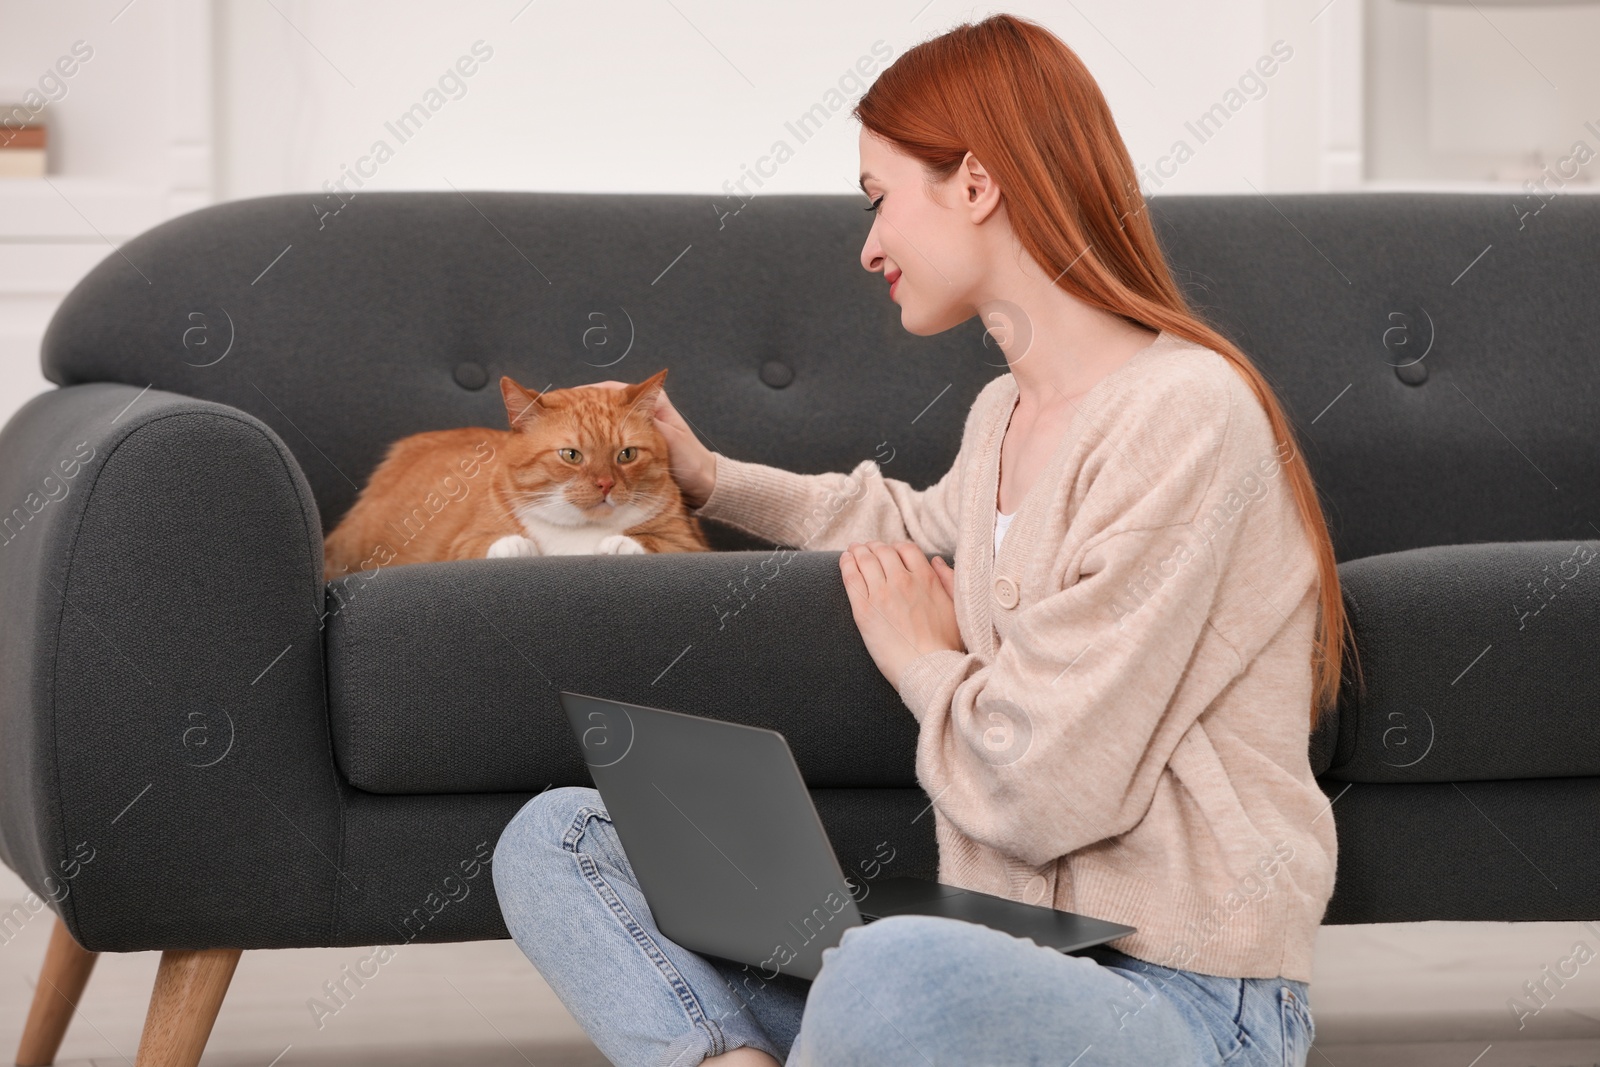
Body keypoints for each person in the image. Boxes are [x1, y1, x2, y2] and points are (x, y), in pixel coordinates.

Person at [492, 13, 1354, 1066]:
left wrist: (922, 655)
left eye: (877, 198)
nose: (868, 246)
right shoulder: (1002, 413)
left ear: (976, 183)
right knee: (557, 839)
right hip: (994, 960)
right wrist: (711, 477)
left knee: (895, 965)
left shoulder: (1184, 411)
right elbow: (908, 527)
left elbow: (1044, 793)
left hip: (1187, 997)